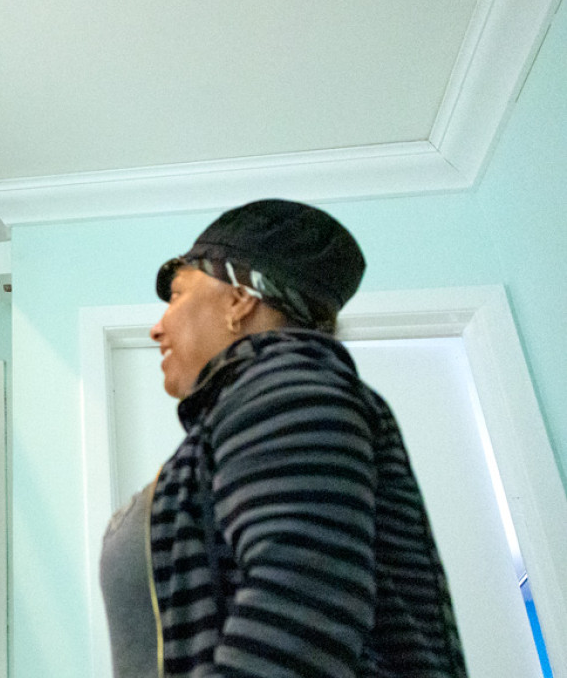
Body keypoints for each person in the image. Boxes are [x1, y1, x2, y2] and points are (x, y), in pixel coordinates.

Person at [99, 199, 467, 677]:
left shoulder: (285, 382)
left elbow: (300, 601)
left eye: (176, 295)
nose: (156, 327)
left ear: (239, 300)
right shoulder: (262, 398)